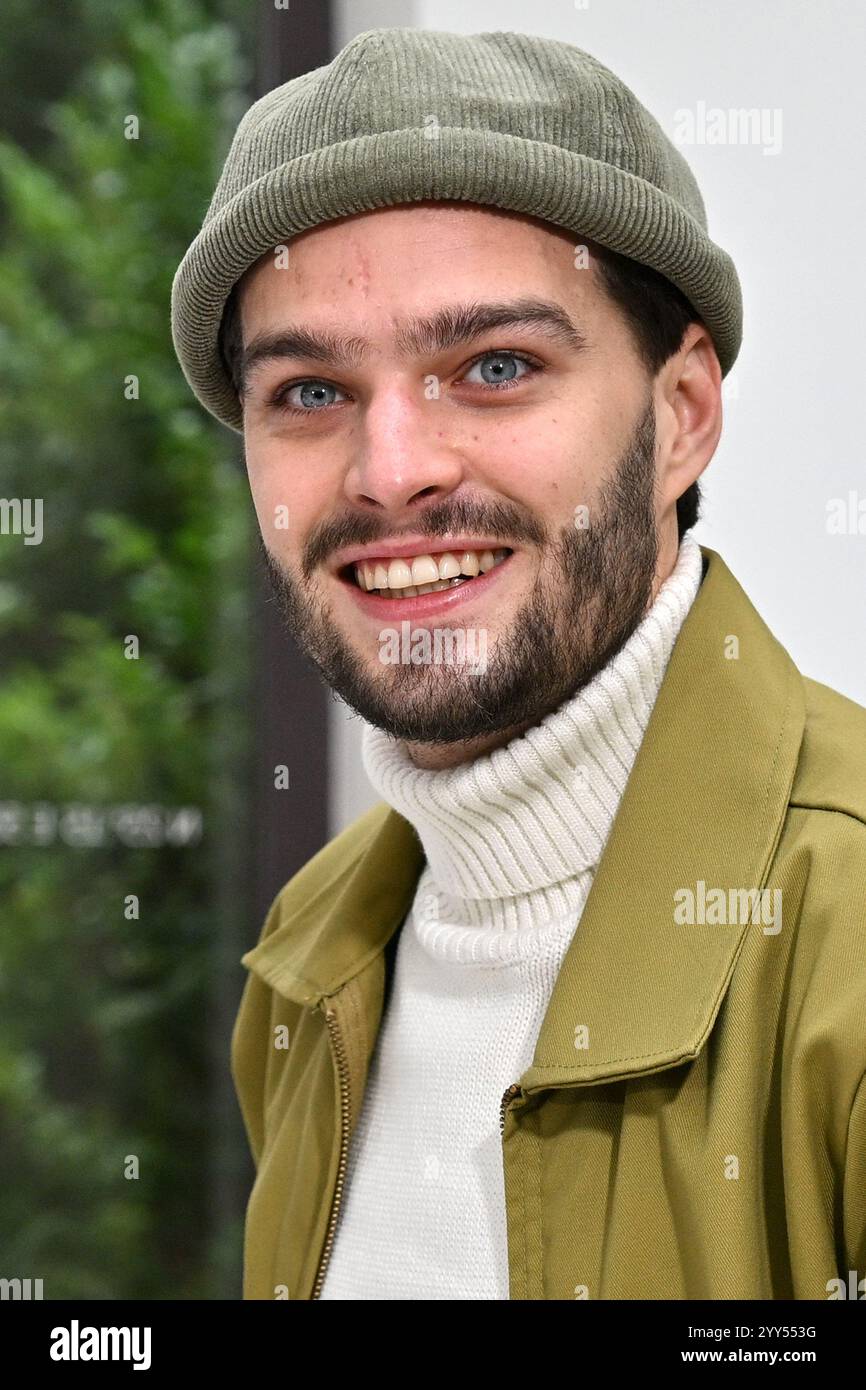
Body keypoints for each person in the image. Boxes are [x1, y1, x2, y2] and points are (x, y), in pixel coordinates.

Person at [170, 27, 866, 1300]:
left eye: (493, 368)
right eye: (310, 393)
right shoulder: (306, 961)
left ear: (679, 417)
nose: (391, 471)